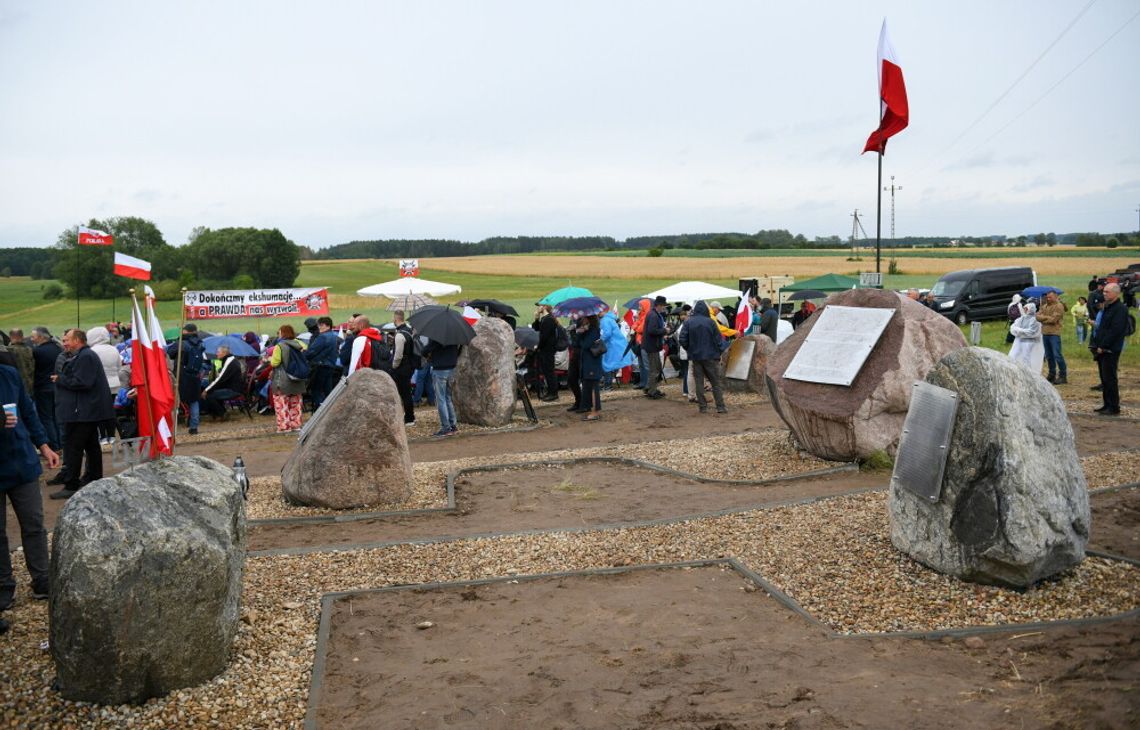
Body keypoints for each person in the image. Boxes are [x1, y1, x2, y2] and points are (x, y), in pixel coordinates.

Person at [1, 362, 61, 617]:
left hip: (21, 463)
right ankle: (4, 587)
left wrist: (44, 445)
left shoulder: (8, 374)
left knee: (35, 524)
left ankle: (42, 579)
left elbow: (28, 410)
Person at [51, 328, 114, 499]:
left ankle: (71, 485)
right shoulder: (85, 356)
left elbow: (83, 382)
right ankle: (94, 477)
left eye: (67, 340)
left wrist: (60, 379)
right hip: (87, 410)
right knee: (91, 445)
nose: (64, 344)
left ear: (78, 340)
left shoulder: (85, 356)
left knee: (73, 448)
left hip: (82, 412)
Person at [679, 301, 727, 414]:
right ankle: (720, 406)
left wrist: (690, 349)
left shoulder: (689, 322)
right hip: (711, 356)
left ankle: (702, 407)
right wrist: (720, 351)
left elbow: (682, 339)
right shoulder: (710, 322)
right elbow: (719, 340)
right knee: (715, 382)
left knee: (699, 382)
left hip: (696, 356)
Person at [1091, 283, 1128, 416]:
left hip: (1110, 349)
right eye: (1104, 292)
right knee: (1104, 378)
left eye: (1107, 292)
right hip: (1101, 348)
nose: (1104, 294)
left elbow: (1115, 331)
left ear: (1116, 293)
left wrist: (1104, 346)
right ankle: (1106, 404)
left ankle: (1113, 407)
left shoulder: (1120, 309)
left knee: (1110, 378)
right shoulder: (1107, 307)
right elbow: (1102, 328)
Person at [166, 323, 208, 435]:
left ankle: (171, 428)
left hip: (181, 375)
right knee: (194, 401)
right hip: (195, 375)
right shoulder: (200, 343)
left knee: (175, 400)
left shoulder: (181, 343)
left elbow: (169, 353)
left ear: (186, 331)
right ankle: (194, 427)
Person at [86, 325, 122, 445]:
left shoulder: (92, 351)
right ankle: (111, 435)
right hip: (114, 384)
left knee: (99, 411)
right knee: (111, 410)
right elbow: (119, 367)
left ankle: (103, 436)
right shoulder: (114, 349)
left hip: (98, 385)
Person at [28, 326, 62, 452]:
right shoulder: (57, 348)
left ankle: (54, 446)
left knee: (46, 418)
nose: (32, 339)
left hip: (42, 387)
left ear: (41, 337)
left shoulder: (37, 352)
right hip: (57, 386)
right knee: (56, 416)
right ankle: (60, 443)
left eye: (33, 337)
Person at [268, 325, 307, 432]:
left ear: (283, 333)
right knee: (296, 403)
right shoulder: (300, 344)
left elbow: (275, 363)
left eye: (279, 332)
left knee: (281, 403)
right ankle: (296, 425)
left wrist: (270, 359)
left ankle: (284, 427)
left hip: (283, 379)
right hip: (298, 378)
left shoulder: (279, 346)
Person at [423, 336, 460, 437]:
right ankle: (453, 425)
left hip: (440, 368)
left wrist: (426, 354)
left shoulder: (436, 335)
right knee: (448, 398)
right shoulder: (454, 335)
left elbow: (425, 349)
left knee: (441, 400)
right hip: (452, 367)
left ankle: (446, 427)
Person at [201, 344, 246, 419]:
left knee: (209, 395)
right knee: (210, 389)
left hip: (234, 390)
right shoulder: (230, 360)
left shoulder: (229, 362)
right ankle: (217, 412)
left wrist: (206, 390)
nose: (216, 353)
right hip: (232, 387)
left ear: (224, 353)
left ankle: (222, 413)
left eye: (218, 352)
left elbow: (220, 379)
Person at [304, 316, 340, 409]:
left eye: (322, 325)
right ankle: (330, 410)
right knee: (328, 390)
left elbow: (312, 351)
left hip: (320, 366)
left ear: (328, 326)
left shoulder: (323, 337)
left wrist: (303, 354)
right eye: (319, 325)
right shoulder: (334, 336)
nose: (319, 327)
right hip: (331, 366)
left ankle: (320, 412)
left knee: (316, 390)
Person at [390, 311, 417, 425]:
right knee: (406, 392)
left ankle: (409, 418)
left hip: (402, 367)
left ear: (396, 320)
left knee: (404, 393)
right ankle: (409, 416)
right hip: (410, 365)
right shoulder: (409, 330)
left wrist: (393, 366)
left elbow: (398, 355)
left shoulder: (400, 334)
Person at [1034, 291, 1068, 385]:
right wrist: (1046, 318)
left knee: (1057, 355)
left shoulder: (1059, 306)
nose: (1048, 299)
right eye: (1047, 297)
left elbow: (1054, 320)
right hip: (1045, 333)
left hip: (1054, 333)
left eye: (1050, 297)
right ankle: (1051, 374)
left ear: (1055, 297)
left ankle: (1062, 375)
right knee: (1049, 355)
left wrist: (1043, 318)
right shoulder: (1044, 306)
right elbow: (1036, 317)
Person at [577, 315, 603, 421]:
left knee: (593, 387)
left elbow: (585, 345)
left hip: (592, 362)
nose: (582, 319)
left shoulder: (594, 330)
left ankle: (596, 411)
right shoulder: (590, 330)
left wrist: (580, 333)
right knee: (588, 385)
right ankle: (590, 408)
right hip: (588, 362)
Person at [642, 296, 668, 399]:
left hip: (652, 345)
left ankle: (651, 389)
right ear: (659, 305)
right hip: (652, 346)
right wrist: (664, 330)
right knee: (654, 370)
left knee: (656, 368)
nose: (664, 308)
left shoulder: (653, 314)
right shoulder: (654, 315)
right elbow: (652, 331)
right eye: (663, 306)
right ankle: (652, 392)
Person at [1008, 301, 1044, 374]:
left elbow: (1031, 332)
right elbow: (1013, 328)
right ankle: (1012, 370)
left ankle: (1028, 373)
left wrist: (1019, 331)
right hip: (1019, 340)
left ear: (1031, 309)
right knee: (1012, 355)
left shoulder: (1035, 320)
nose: (1024, 310)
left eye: (1026, 309)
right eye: (1024, 309)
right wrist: (1021, 331)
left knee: (1026, 357)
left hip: (1029, 342)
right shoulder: (1022, 318)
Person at [533, 304, 559, 401]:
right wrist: (536, 319)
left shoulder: (548, 320)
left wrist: (537, 346)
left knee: (549, 372)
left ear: (544, 307)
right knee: (547, 372)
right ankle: (550, 392)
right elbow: (536, 330)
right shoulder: (545, 319)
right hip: (544, 350)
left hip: (547, 350)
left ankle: (553, 393)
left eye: (539, 306)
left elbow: (544, 337)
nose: (537, 308)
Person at [4, 329, 34, 393]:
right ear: (22, 336)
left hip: (15, 386)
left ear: (10, 337)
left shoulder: (8, 351)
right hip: (30, 384)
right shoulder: (29, 349)